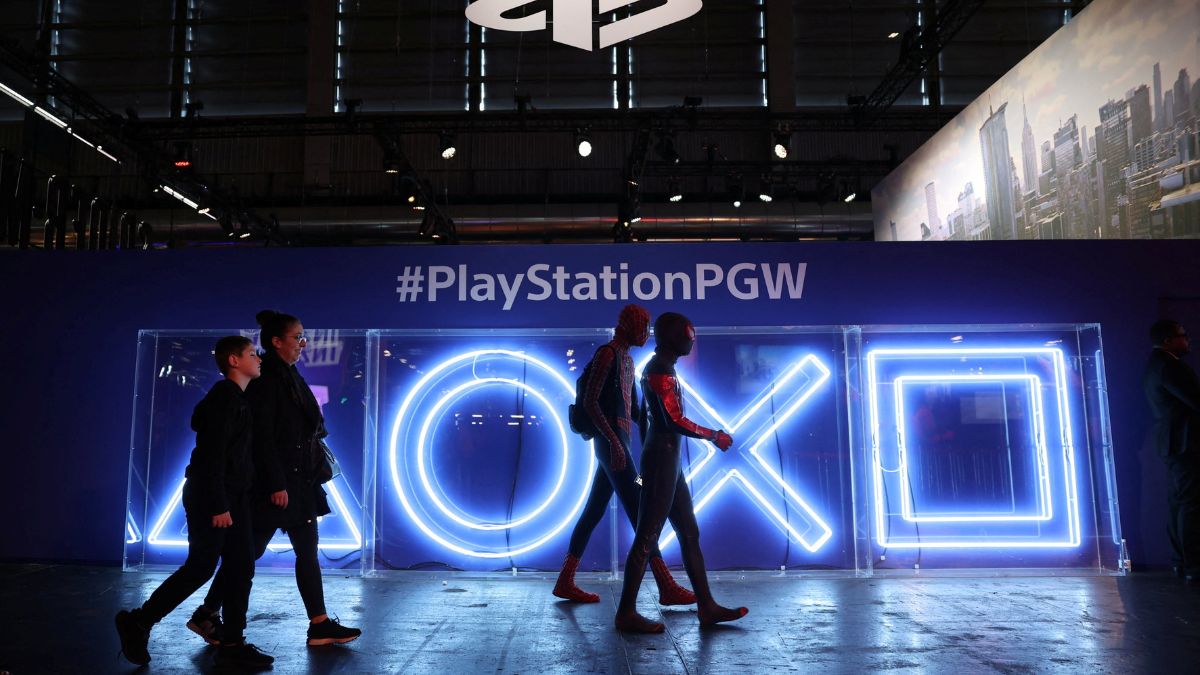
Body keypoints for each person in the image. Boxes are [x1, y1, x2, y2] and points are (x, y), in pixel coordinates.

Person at [202, 310, 361, 646]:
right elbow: (264, 437)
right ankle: (209, 614)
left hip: (295, 482)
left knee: (284, 550)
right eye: (297, 337)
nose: (303, 343)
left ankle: (317, 622)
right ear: (276, 341)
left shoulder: (285, 375)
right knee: (253, 552)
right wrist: (275, 483)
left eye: (303, 336)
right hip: (282, 484)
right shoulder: (271, 379)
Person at [114, 336, 273, 668]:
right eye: (251, 354)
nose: (258, 359)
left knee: (240, 566)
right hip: (215, 497)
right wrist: (218, 504)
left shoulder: (236, 398)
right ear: (233, 360)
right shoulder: (225, 400)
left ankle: (232, 642)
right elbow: (212, 456)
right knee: (202, 566)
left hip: (232, 496)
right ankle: (139, 621)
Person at [553, 304, 695, 606]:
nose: (647, 333)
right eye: (644, 326)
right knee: (638, 508)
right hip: (612, 447)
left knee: (594, 510)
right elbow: (591, 402)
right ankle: (665, 584)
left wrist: (642, 449)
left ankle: (566, 579)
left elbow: (634, 412)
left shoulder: (627, 361)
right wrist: (615, 444)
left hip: (619, 446)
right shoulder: (608, 354)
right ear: (631, 325)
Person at [614, 312, 748, 633]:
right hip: (661, 460)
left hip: (665, 461)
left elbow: (651, 419)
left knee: (689, 533)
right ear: (675, 336)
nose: (692, 338)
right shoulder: (659, 370)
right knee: (648, 535)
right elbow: (672, 420)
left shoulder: (663, 368)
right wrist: (713, 435)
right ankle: (626, 612)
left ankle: (707, 606)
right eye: (688, 332)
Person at [1144, 319, 1200, 583]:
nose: (1188, 340)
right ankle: (1193, 566)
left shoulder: (1155, 365)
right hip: (1184, 442)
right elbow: (1195, 400)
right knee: (1190, 504)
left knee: (1180, 502)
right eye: (1183, 335)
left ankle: (1181, 563)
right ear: (1168, 340)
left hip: (1173, 442)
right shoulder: (1170, 366)